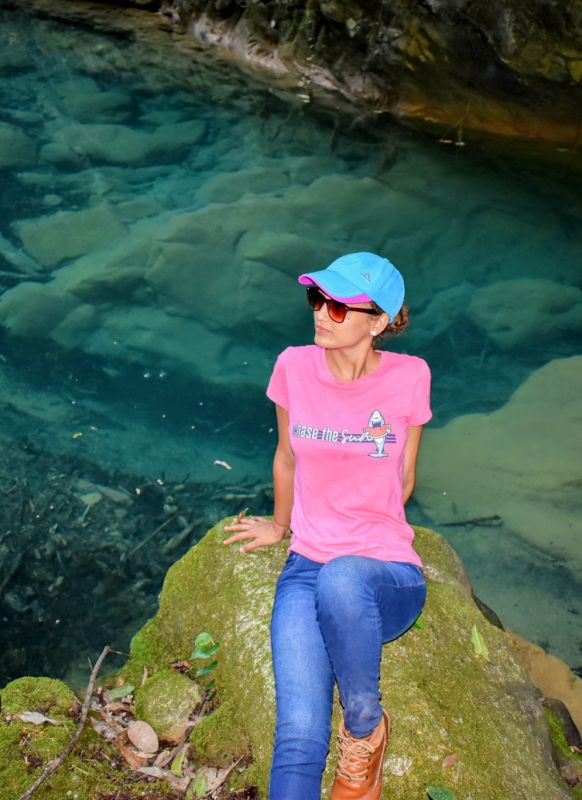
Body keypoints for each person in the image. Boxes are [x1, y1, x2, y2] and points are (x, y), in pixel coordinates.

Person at [222, 252, 431, 800]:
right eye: (319, 299)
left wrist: (362, 518)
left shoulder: (411, 377)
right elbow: (285, 456)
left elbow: (405, 479)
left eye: (339, 308)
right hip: (306, 568)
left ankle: (365, 728)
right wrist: (280, 524)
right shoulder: (293, 366)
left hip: (385, 573)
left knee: (343, 578)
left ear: (379, 322)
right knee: (295, 735)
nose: (322, 313)